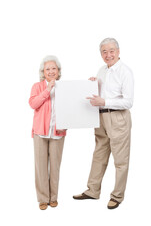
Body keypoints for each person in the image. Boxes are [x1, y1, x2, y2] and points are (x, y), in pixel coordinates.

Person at [73, 38, 134, 209]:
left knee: (120, 160)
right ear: (101, 54)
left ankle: (117, 195)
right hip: (100, 117)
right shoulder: (101, 70)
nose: (108, 55)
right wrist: (93, 85)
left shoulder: (125, 72)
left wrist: (104, 102)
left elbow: (128, 102)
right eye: (104, 52)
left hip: (118, 118)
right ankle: (92, 190)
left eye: (111, 50)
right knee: (99, 155)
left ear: (118, 51)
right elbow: (101, 94)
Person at [29, 55, 66, 210]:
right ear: (43, 72)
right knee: (41, 166)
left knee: (55, 166)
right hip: (40, 133)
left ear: (58, 71)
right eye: (48, 69)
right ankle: (43, 198)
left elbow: (71, 109)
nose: (51, 71)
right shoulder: (37, 86)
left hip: (58, 132)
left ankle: (53, 198)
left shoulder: (64, 87)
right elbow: (33, 104)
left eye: (54, 68)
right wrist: (47, 90)